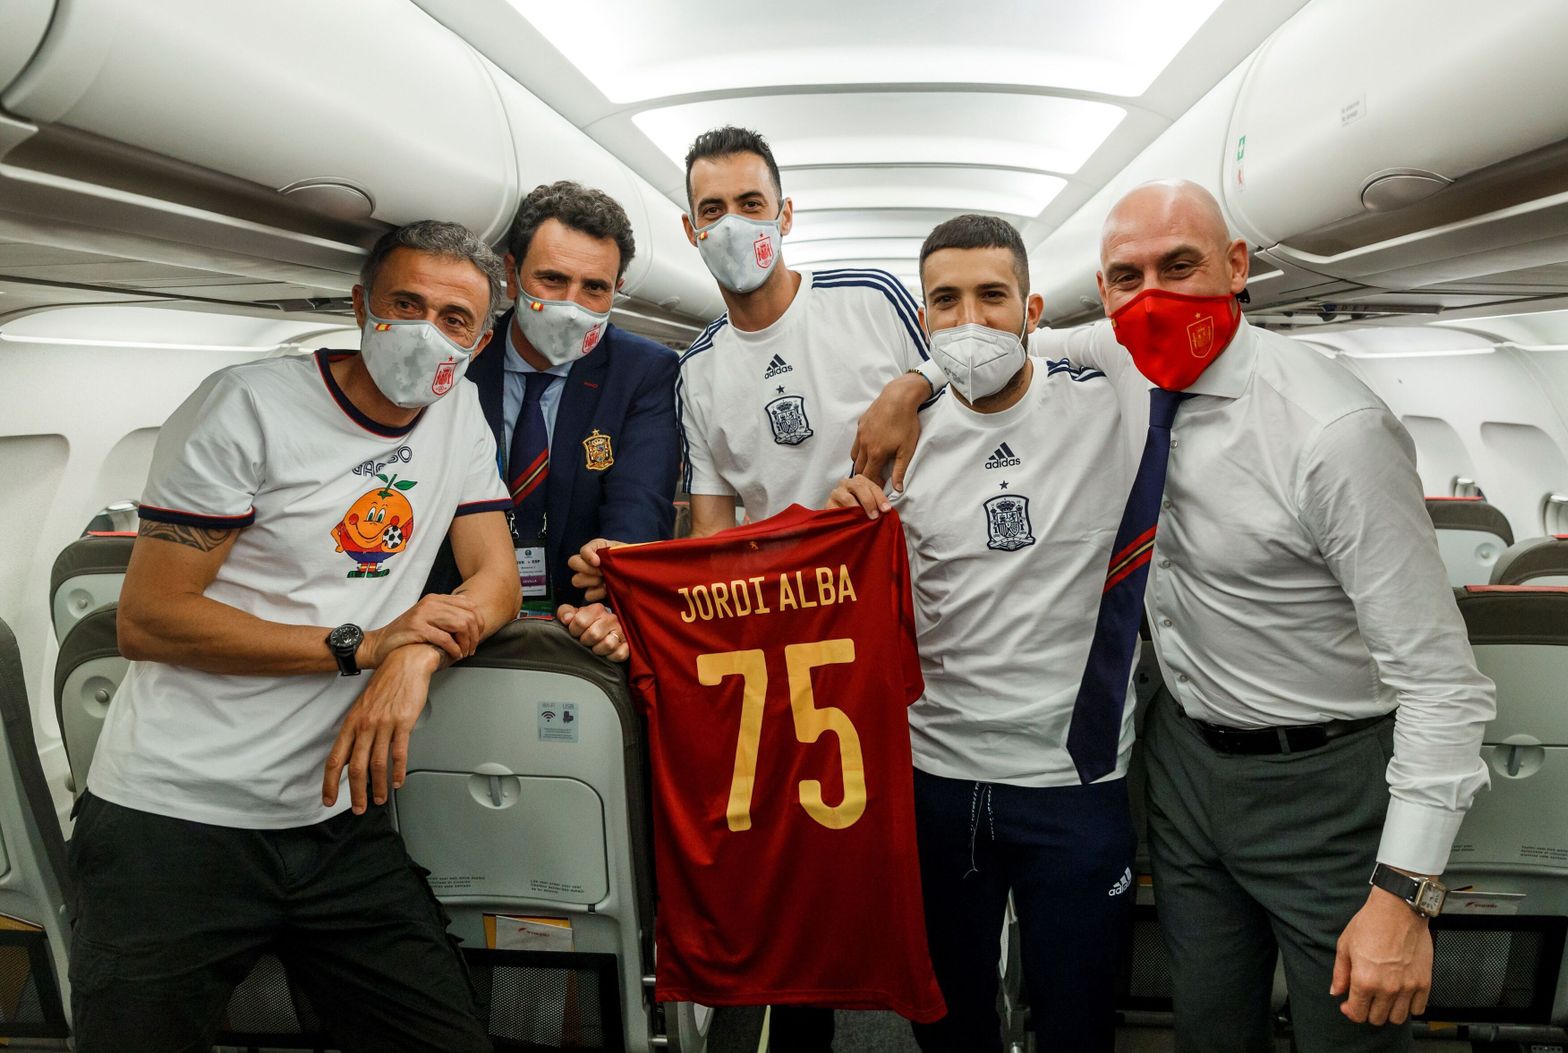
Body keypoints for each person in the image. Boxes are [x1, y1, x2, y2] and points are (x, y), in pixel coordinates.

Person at [861, 180, 1496, 1052]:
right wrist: (911, 381)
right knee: (1205, 1024)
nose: (1152, 294)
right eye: (1127, 275)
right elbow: (996, 337)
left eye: (1181, 265)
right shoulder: (1125, 356)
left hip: (1321, 776)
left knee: (1345, 1031)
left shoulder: (1331, 431)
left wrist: (1403, 892)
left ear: (1237, 267)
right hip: (1184, 764)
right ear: (1106, 290)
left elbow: (1443, 685)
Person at [75, 220, 521, 1052]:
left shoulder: (457, 412)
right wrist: (362, 645)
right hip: (175, 819)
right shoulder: (246, 405)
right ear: (362, 306)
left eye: (455, 318)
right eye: (406, 304)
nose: (429, 330)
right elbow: (150, 617)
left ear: (481, 338)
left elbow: (494, 579)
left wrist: (417, 648)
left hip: (334, 824)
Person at [570, 124, 933, 1051]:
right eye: (713, 211)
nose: (735, 226)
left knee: (908, 880)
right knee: (803, 886)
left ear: (786, 213)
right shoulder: (699, 367)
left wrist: (913, 387)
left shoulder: (872, 300)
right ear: (691, 232)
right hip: (795, 659)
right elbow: (713, 532)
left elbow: (970, 384)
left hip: (914, 619)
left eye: (752, 205)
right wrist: (639, 579)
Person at [827, 214, 1138, 1052]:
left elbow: (1142, 335)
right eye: (946, 300)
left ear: (1032, 306)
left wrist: (910, 379)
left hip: (1072, 779)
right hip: (937, 776)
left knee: (1076, 1025)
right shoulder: (895, 443)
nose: (970, 320)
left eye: (992, 296)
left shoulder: (1107, 407)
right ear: (922, 316)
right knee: (949, 1022)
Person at [427, 182, 678, 663]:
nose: (572, 304)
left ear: (616, 291)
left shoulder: (643, 372)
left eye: (595, 288)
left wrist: (619, 561)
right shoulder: (458, 358)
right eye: (553, 280)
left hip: (580, 627)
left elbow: (641, 499)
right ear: (511, 273)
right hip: (455, 621)